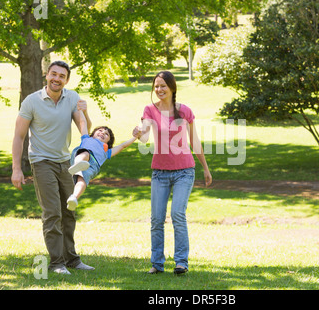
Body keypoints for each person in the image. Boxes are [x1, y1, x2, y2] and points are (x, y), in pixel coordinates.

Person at [11, 60, 94, 275]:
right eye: (53, 74)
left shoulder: (72, 97)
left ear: (66, 80)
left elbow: (85, 128)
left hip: (64, 161)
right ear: (46, 75)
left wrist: (85, 112)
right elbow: (19, 137)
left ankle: (72, 259)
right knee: (52, 213)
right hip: (41, 162)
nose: (57, 79)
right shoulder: (32, 101)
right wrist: (16, 169)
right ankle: (56, 263)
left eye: (62, 76)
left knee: (69, 211)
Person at [132, 70, 212, 275]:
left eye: (163, 86)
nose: (159, 90)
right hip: (160, 172)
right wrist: (138, 133)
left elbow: (194, 141)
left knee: (177, 214)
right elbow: (144, 137)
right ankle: (157, 264)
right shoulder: (150, 110)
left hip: (184, 170)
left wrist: (205, 167)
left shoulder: (184, 111)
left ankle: (181, 262)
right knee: (157, 219)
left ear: (172, 88)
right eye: (156, 86)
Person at [67, 125, 138, 211]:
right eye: (100, 130)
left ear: (109, 141)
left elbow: (123, 146)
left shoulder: (107, 151)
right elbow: (83, 122)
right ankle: (77, 164)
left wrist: (135, 137)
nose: (102, 133)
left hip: (93, 166)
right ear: (93, 134)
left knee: (82, 181)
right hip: (82, 155)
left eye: (106, 134)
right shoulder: (86, 138)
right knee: (85, 153)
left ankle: (74, 197)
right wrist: (83, 112)